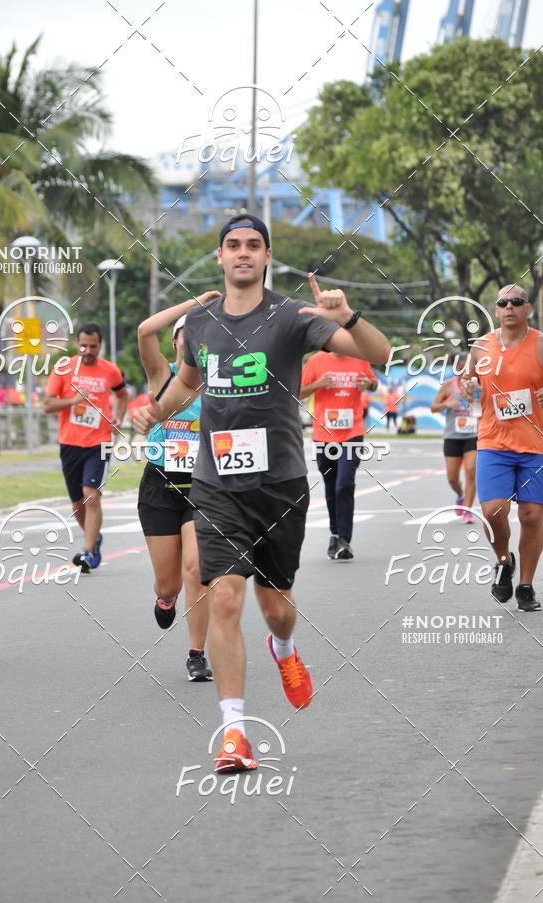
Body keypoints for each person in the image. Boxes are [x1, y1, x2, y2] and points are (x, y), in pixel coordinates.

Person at [134, 214, 391, 772]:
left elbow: (378, 354)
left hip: (278, 484)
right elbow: (187, 381)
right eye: (233, 246)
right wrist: (159, 409)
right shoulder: (200, 323)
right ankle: (233, 733)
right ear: (220, 257)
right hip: (216, 482)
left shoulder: (294, 316)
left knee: (275, 609)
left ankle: (284, 649)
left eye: (254, 245)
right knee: (222, 594)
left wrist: (348, 316)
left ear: (268, 256)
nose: (243, 253)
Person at [137, 292, 220, 681]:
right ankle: (165, 599)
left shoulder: (219, 384)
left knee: (197, 567)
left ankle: (196, 653)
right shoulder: (161, 376)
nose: (192, 342)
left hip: (202, 487)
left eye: (201, 335)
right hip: (159, 485)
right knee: (169, 581)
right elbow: (144, 330)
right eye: (186, 335)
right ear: (175, 342)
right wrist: (196, 304)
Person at [462, 285, 543, 611]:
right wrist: (467, 386)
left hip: (535, 443)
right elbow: (468, 382)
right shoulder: (481, 347)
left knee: (532, 516)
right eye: (503, 303)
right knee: (493, 510)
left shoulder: (539, 344)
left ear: (528, 309)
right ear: (496, 310)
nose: (509, 307)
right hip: (493, 442)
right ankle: (503, 561)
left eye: (517, 302)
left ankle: (525, 585)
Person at [44, 323, 128, 572]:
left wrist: (119, 417)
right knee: (77, 504)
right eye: (83, 345)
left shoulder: (110, 370)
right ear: (76, 343)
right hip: (70, 443)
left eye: (93, 346)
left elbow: (122, 395)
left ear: (100, 345)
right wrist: (74, 400)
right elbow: (47, 405)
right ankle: (94, 537)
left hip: (99, 442)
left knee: (92, 493)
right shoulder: (63, 368)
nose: (88, 350)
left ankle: (88, 551)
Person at [300, 353, 378, 560]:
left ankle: (344, 539)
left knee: (344, 483)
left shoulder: (360, 359)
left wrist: (368, 385)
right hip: (324, 434)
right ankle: (335, 534)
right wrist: (318, 383)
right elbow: (297, 392)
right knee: (331, 485)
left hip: (352, 433)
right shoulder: (316, 361)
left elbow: (374, 384)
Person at [431, 353, 478, 524]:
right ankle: (460, 494)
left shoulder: (477, 386)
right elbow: (433, 408)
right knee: (452, 478)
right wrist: (446, 404)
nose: (463, 370)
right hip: (452, 436)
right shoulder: (448, 386)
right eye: (460, 367)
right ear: (455, 367)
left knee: (471, 470)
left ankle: (468, 510)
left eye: (466, 367)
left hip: (473, 435)